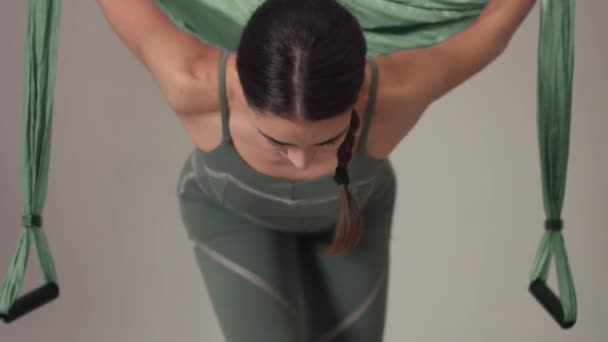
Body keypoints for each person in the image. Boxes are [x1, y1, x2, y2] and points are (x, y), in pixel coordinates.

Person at [98, 0, 537, 341]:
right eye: (279, 142)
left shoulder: (399, 90)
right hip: (231, 218)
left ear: (359, 91)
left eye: (328, 141)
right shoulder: (191, 83)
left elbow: (494, 28)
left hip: (352, 219)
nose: (303, 162)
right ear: (239, 82)